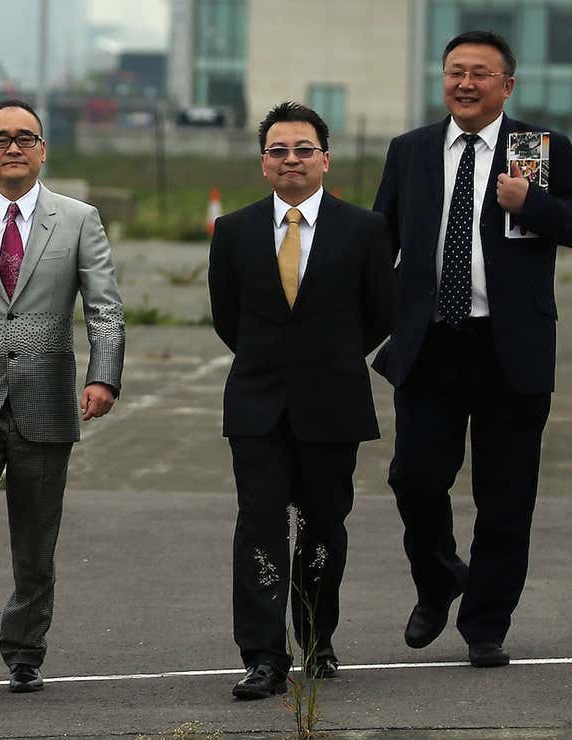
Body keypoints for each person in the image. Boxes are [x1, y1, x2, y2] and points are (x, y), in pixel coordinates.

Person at [372, 30, 572, 668]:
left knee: (505, 497)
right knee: (414, 479)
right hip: (431, 344)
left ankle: (486, 623)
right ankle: (439, 576)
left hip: (510, 348)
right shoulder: (411, 151)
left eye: (480, 73)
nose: (465, 84)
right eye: (454, 72)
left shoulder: (538, 149)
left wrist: (534, 203)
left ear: (507, 84)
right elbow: (378, 242)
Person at [0, 99, 125, 695]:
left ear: (43, 149)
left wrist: (103, 376)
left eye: (25, 137)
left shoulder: (78, 219)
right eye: (0, 138)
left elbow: (105, 308)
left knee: (35, 539)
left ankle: (23, 653)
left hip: (46, 398)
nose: (13, 147)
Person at [208, 101, 395, 699]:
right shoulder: (234, 231)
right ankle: (264, 656)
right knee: (259, 527)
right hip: (257, 406)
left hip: (333, 404)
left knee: (321, 528)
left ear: (325, 160)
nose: (291, 160)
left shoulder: (365, 230)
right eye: (278, 151)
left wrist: (327, 357)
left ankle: (318, 639)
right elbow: (227, 318)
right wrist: (276, 360)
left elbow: (379, 316)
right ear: (264, 163)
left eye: (303, 150)